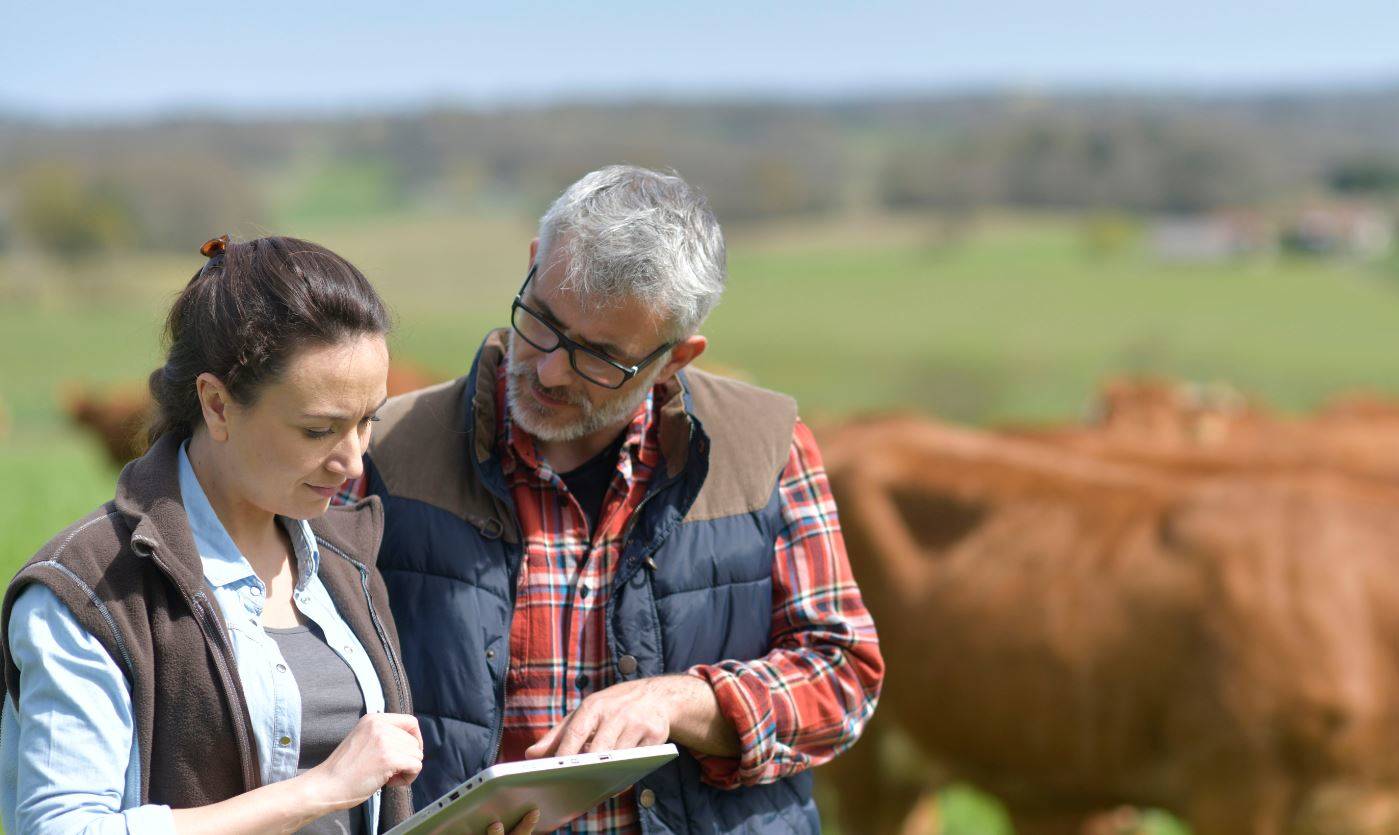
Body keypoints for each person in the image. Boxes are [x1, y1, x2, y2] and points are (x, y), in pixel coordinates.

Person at [345, 165, 885, 832]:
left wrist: (686, 702)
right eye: (541, 321)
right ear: (535, 264)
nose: (547, 369)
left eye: (598, 356)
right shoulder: (384, 454)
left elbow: (842, 673)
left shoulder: (767, 447)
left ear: (676, 358)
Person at [0, 236, 539, 835]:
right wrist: (317, 791)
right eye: (318, 430)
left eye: (367, 422)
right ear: (217, 405)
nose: (354, 462)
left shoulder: (346, 557)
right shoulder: (91, 590)